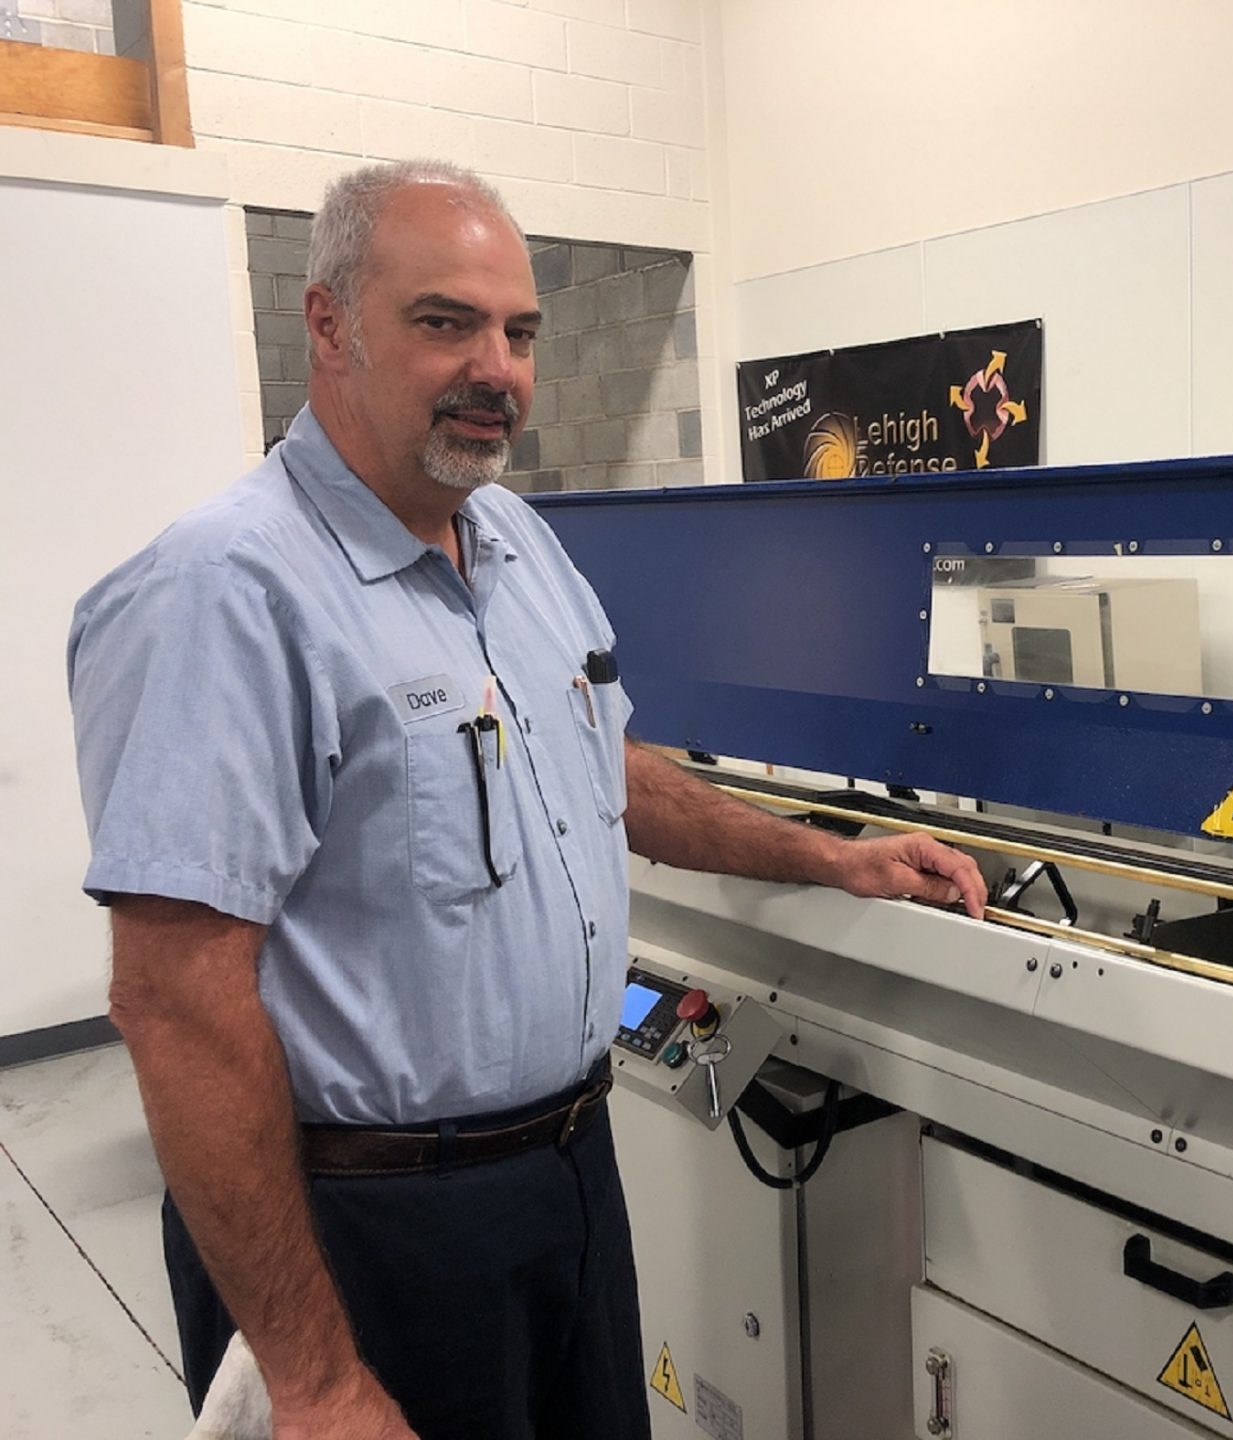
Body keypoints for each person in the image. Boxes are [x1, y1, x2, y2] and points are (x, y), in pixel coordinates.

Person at [68, 158, 987, 1440]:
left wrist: (826, 856)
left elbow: (604, 773)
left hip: (567, 1177)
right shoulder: (223, 595)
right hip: (365, 1229)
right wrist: (318, 1381)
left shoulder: (517, 547)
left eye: (519, 331)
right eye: (443, 321)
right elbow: (174, 1002)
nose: (495, 367)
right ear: (327, 324)